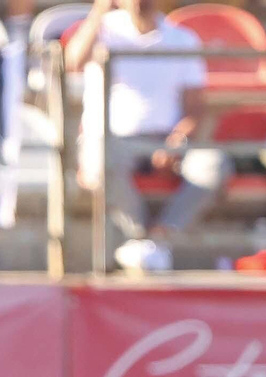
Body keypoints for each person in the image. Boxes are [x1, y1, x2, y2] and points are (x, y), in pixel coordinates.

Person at [67, 0, 231, 273]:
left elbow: (195, 109)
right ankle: (144, 242)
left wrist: (176, 140)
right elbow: (73, 62)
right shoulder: (100, 31)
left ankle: (156, 240)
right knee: (99, 161)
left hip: (166, 140)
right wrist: (98, 11)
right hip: (111, 140)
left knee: (214, 165)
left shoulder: (183, 39)